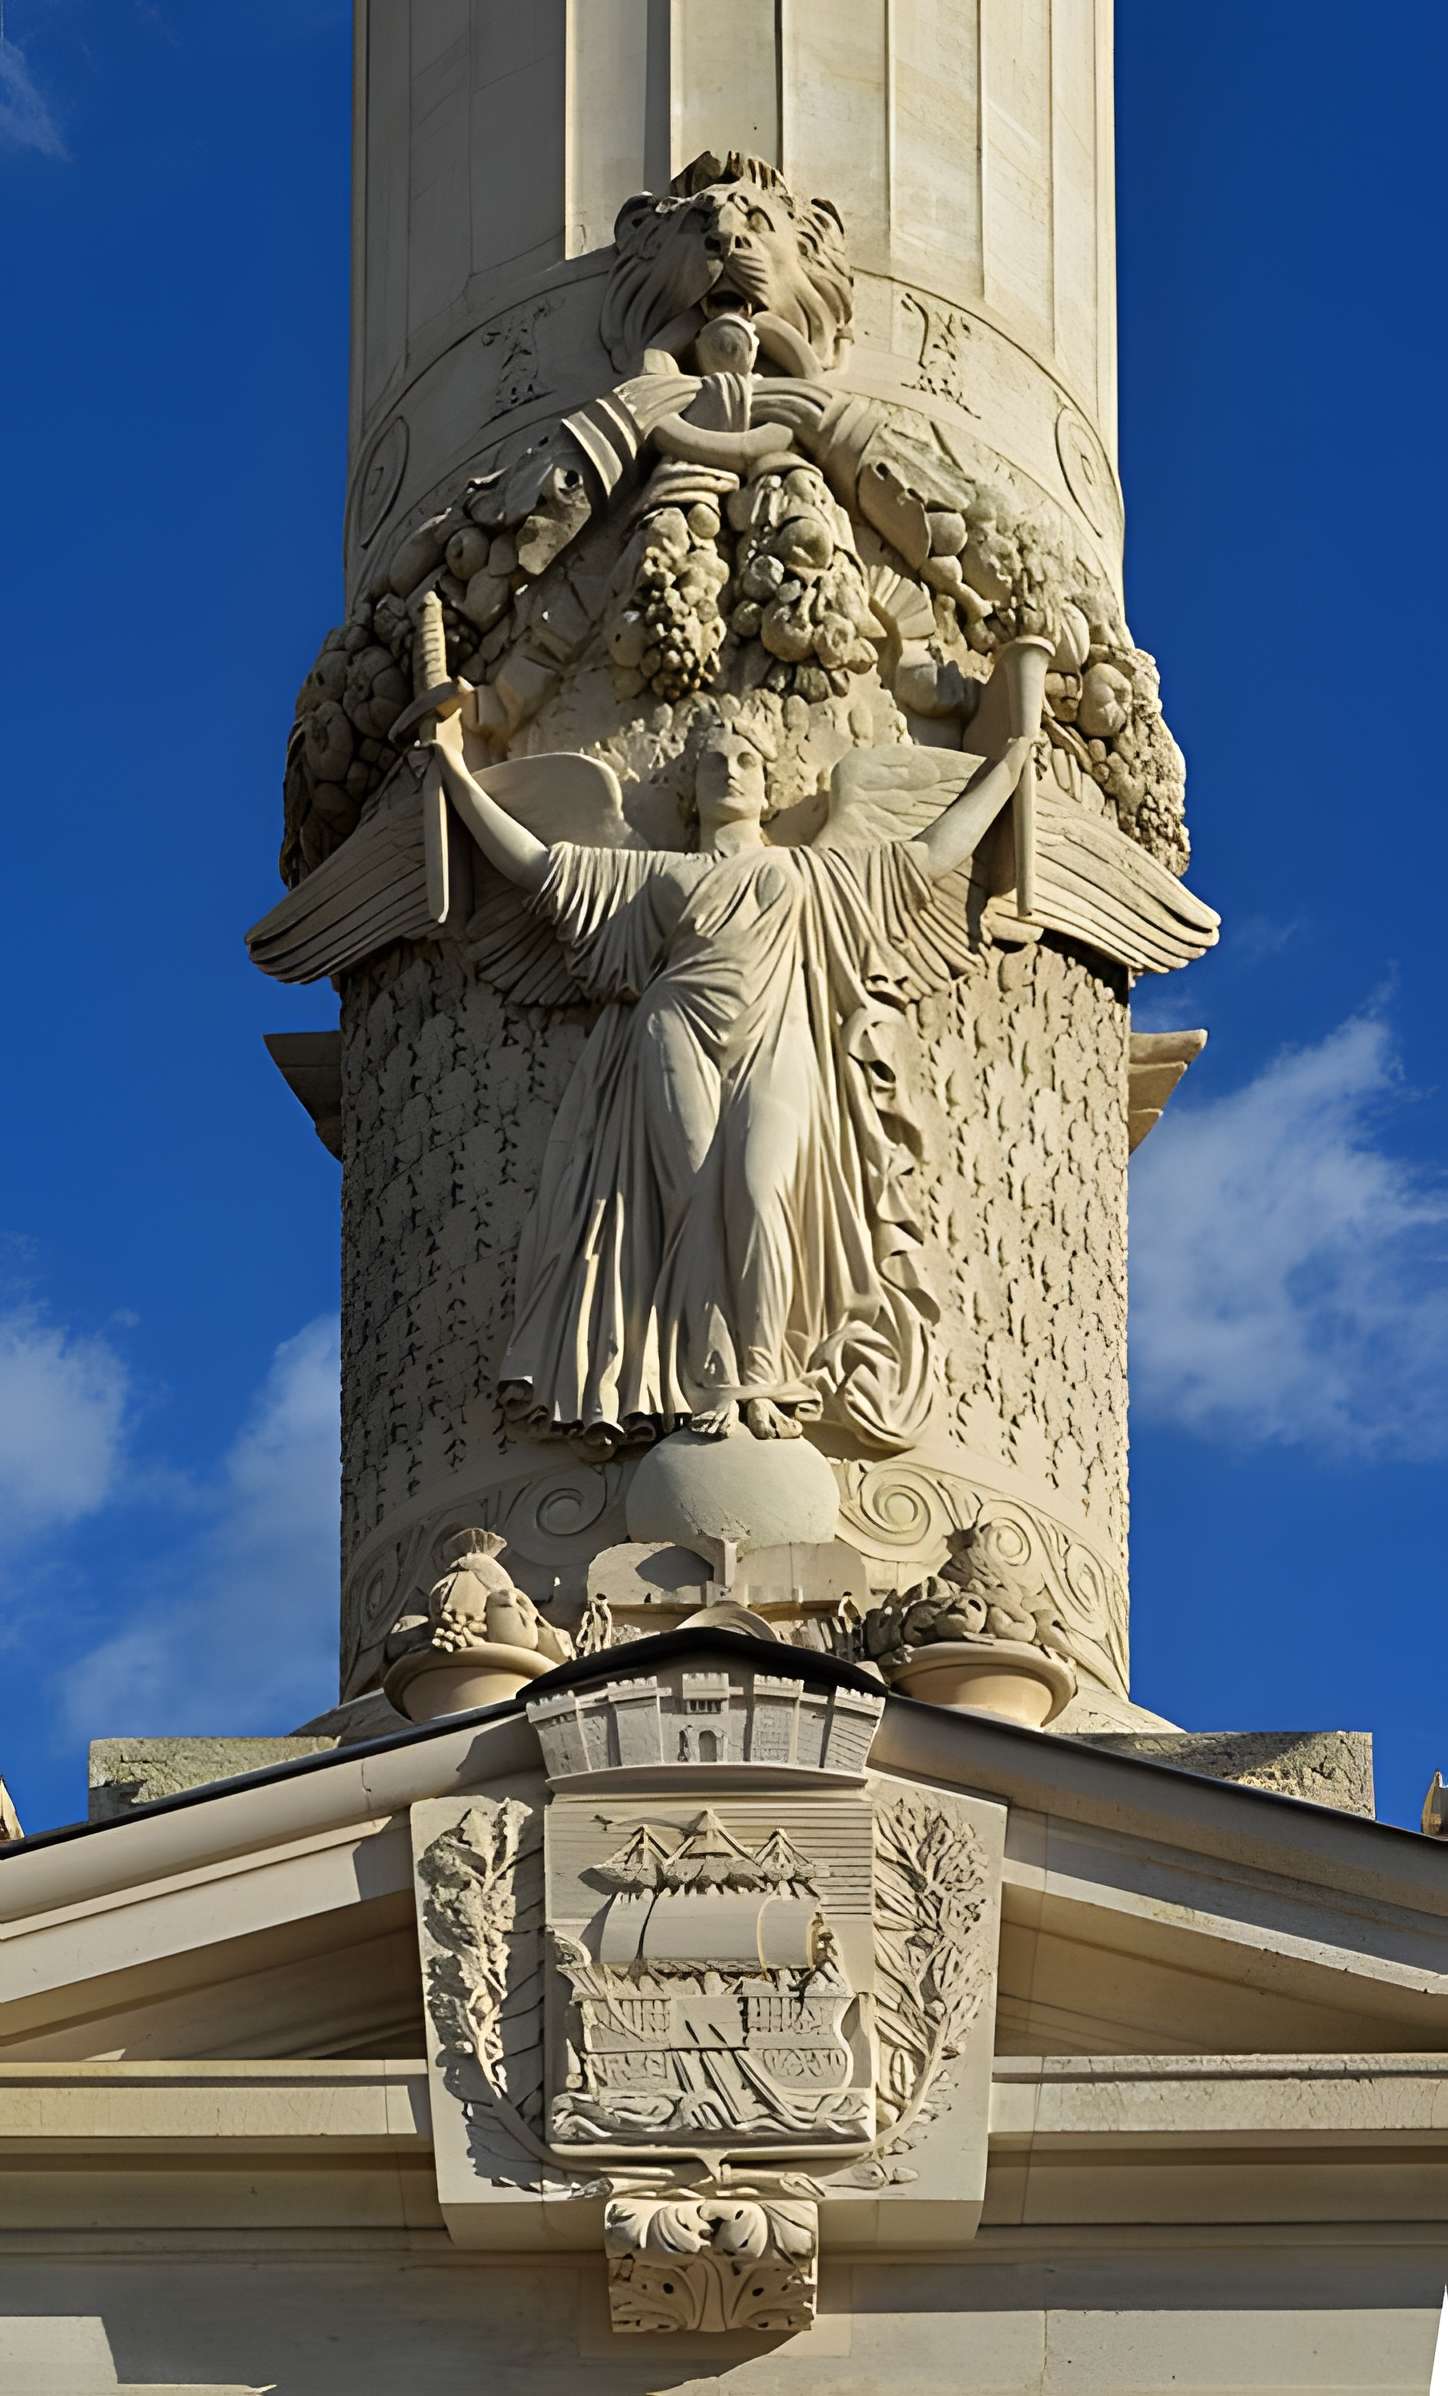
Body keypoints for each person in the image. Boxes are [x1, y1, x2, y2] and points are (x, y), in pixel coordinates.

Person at [427, 699, 1034, 1452]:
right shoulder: (656, 876)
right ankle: (712, 1380)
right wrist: (454, 772)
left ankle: (765, 1370)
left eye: (746, 760)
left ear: (769, 783)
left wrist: (1010, 766)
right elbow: (537, 867)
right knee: (687, 1195)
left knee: (759, 1188)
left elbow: (927, 857)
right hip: (674, 1029)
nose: (730, 772)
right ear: (691, 787)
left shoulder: (809, 872)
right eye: (713, 761)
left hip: (778, 1035)